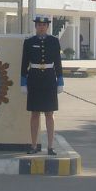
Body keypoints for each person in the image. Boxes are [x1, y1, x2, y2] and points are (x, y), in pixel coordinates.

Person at [20, 15, 64, 155]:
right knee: (34, 114)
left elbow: (58, 62)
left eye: (44, 25)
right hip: (34, 79)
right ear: (36, 26)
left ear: (47, 26)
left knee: (49, 114)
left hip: (49, 78)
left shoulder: (54, 41)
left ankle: (50, 147)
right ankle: (34, 146)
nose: (41, 27)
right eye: (39, 25)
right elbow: (24, 63)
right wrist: (23, 81)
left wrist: (60, 80)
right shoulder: (29, 42)